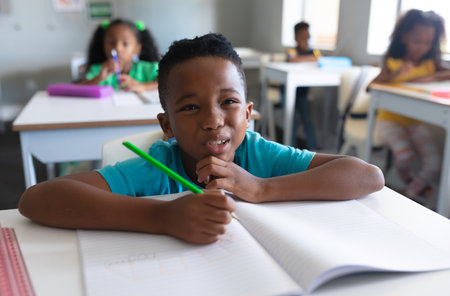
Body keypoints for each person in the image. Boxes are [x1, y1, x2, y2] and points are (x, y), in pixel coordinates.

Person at [19, 33, 384, 245]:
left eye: (228, 102)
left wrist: (260, 189)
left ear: (248, 113)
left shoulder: (257, 157)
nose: (213, 121)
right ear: (168, 125)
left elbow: (368, 176)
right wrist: (164, 217)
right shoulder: (158, 166)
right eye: (191, 108)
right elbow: (38, 199)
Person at [371, 9, 450, 201]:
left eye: (427, 43)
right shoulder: (394, 63)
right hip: (388, 120)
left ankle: (408, 192)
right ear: (404, 37)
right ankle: (410, 184)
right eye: (417, 41)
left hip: (413, 123)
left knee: (434, 163)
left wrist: (429, 76)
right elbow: (371, 87)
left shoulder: (430, 64)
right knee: (404, 156)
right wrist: (394, 77)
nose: (421, 47)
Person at [80, 18, 160, 92]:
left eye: (125, 44)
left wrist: (143, 86)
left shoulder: (149, 69)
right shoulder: (98, 71)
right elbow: (79, 89)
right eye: (111, 42)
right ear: (103, 46)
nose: (117, 48)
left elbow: (166, 83)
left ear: (137, 49)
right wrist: (98, 78)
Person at [285, 21, 321, 149]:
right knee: (292, 121)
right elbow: (291, 59)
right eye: (303, 37)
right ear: (296, 37)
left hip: (302, 95)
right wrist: (310, 58)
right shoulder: (292, 51)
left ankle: (314, 150)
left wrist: (311, 57)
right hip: (288, 93)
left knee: (308, 121)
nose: (306, 41)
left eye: (308, 37)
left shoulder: (314, 52)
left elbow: (320, 59)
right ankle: (290, 149)